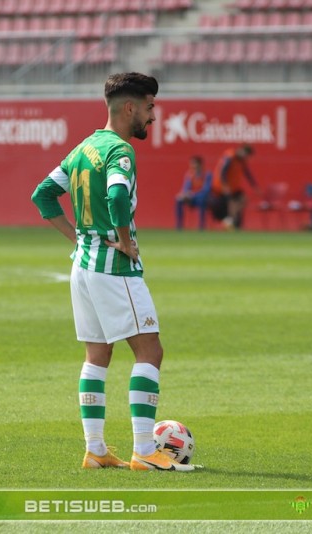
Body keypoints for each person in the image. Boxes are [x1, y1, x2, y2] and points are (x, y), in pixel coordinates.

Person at [31, 73, 193, 472]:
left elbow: (43, 195)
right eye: (150, 107)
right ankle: (144, 451)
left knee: (97, 355)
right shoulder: (120, 150)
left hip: (83, 267)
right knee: (150, 351)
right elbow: (118, 194)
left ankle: (96, 450)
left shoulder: (84, 148)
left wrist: (76, 237)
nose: (153, 116)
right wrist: (123, 239)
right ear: (130, 108)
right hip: (114, 267)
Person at [213, 144, 258, 230]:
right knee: (231, 204)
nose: (246, 158)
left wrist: (254, 186)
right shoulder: (230, 156)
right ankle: (231, 222)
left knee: (242, 199)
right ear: (242, 151)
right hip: (222, 188)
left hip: (233, 188)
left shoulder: (242, 161)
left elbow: (247, 174)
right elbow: (223, 171)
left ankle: (232, 221)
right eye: (246, 155)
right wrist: (225, 185)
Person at [174, 155, 212, 230]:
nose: (193, 166)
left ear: (200, 164)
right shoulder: (190, 174)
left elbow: (206, 190)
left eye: (194, 163)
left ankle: (201, 226)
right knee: (178, 200)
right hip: (191, 197)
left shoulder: (206, 174)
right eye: (191, 164)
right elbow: (186, 188)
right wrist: (184, 194)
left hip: (202, 198)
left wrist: (193, 194)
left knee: (202, 200)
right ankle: (179, 226)